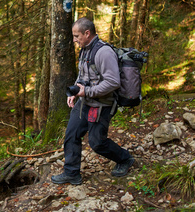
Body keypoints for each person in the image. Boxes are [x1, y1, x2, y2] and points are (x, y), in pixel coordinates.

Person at [51, 17, 135, 185]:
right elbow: (82, 75)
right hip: (84, 102)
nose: (74, 40)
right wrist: (74, 92)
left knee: (97, 143)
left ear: (87, 33)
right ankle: (71, 173)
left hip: (101, 104)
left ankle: (125, 159)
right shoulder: (85, 49)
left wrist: (86, 91)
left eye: (77, 36)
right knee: (71, 135)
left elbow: (113, 82)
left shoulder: (104, 52)